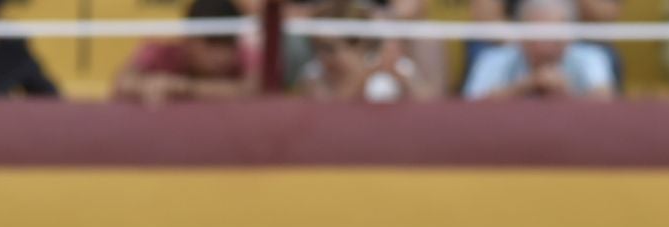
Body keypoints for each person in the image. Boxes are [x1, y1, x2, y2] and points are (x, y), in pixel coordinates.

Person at [464, 0, 618, 98]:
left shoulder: (591, 57)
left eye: (554, 37)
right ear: (521, 34)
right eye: (536, 34)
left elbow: (605, 106)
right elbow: (470, 109)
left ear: (570, 35)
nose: (545, 46)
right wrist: (525, 86)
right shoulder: (493, 59)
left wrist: (566, 95)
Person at [113, 0, 257, 103]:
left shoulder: (243, 53)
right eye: (212, 42)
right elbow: (121, 83)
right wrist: (148, 86)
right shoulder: (161, 50)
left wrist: (186, 88)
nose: (221, 55)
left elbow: (256, 91)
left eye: (228, 43)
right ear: (188, 38)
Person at [292, 0, 439, 99]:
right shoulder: (314, 74)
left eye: (331, 48)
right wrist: (366, 74)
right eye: (320, 47)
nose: (325, 56)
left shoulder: (397, 69)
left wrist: (400, 77)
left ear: (360, 45)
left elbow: (431, 105)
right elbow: (330, 110)